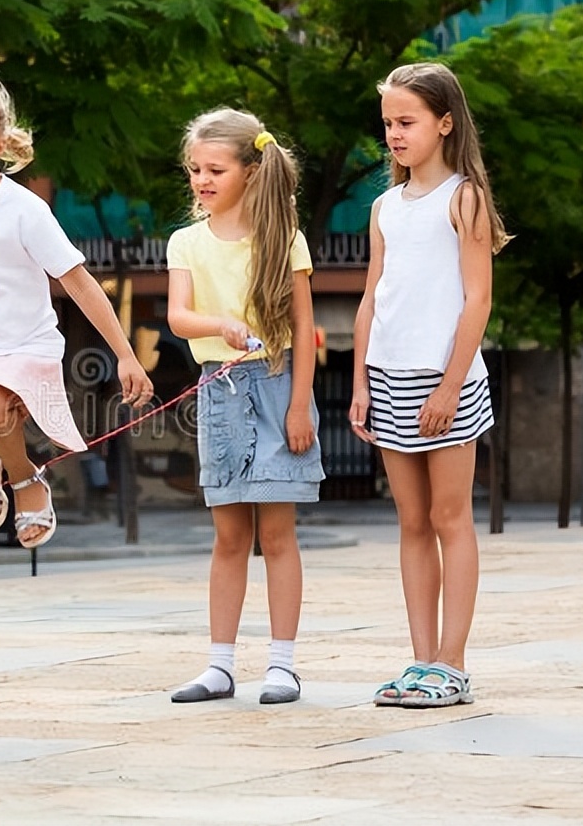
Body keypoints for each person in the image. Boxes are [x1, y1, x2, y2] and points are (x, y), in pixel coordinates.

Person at [0, 73, 154, 549]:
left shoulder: (24, 209)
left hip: (20, 343)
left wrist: (125, 354)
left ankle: (23, 478)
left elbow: (77, 280)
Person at [352, 62, 506, 708]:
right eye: (388, 122)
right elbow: (370, 298)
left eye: (406, 121)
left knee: (450, 518)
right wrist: (360, 381)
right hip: (389, 378)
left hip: (449, 383)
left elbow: (477, 301)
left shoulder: (464, 198)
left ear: (444, 124)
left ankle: (455, 664)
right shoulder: (384, 207)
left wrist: (447, 388)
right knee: (411, 522)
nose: (394, 133)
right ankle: (421, 663)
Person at [165, 108, 324, 705]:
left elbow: (304, 327)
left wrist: (300, 406)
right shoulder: (187, 241)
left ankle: (282, 664)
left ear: (251, 172)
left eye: (214, 169)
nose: (201, 180)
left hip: (278, 382)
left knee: (277, 533)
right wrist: (222, 325)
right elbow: (181, 316)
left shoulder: (286, 239)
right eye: (194, 170)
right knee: (229, 534)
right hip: (219, 388)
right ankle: (220, 665)